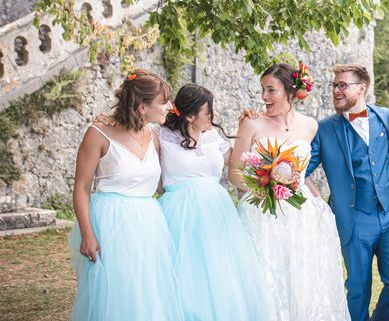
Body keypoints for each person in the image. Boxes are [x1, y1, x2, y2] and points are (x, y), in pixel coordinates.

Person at [229, 63, 349, 321]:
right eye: (262, 90)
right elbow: (234, 173)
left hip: (300, 214)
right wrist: (264, 187)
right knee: (267, 279)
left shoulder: (310, 126)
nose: (264, 97)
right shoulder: (251, 124)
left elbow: (302, 172)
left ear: (290, 92)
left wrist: (312, 194)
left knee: (302, 280)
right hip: (262, 213)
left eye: (271, 90)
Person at [69, 69, 184, 320]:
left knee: (148, 291)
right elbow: (81, 187)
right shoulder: (98, 134)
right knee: (117, 291)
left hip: (148, 224)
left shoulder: (154, 136)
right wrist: (87, 234)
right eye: (163, 102)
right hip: (111, 224)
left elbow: (195, 126)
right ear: (143, 107)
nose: (169, 106)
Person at [306, 63, 389, 321]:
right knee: (358, 289)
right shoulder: (325, 129)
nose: (336, 91)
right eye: (334, 86)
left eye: (342, 85)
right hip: (354, 218)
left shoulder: (384, 116)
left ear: (361, 88)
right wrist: (317, 196)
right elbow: (301, 169)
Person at [157, 84, 269, 320]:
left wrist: (248, 128)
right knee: (185, 273)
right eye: (209, 112)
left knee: (220, 272)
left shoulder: (213, 136)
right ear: (189, 115)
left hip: (217, 212)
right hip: (179, 212)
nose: (214, 116)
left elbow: (237, 163)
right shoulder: (160, 136)